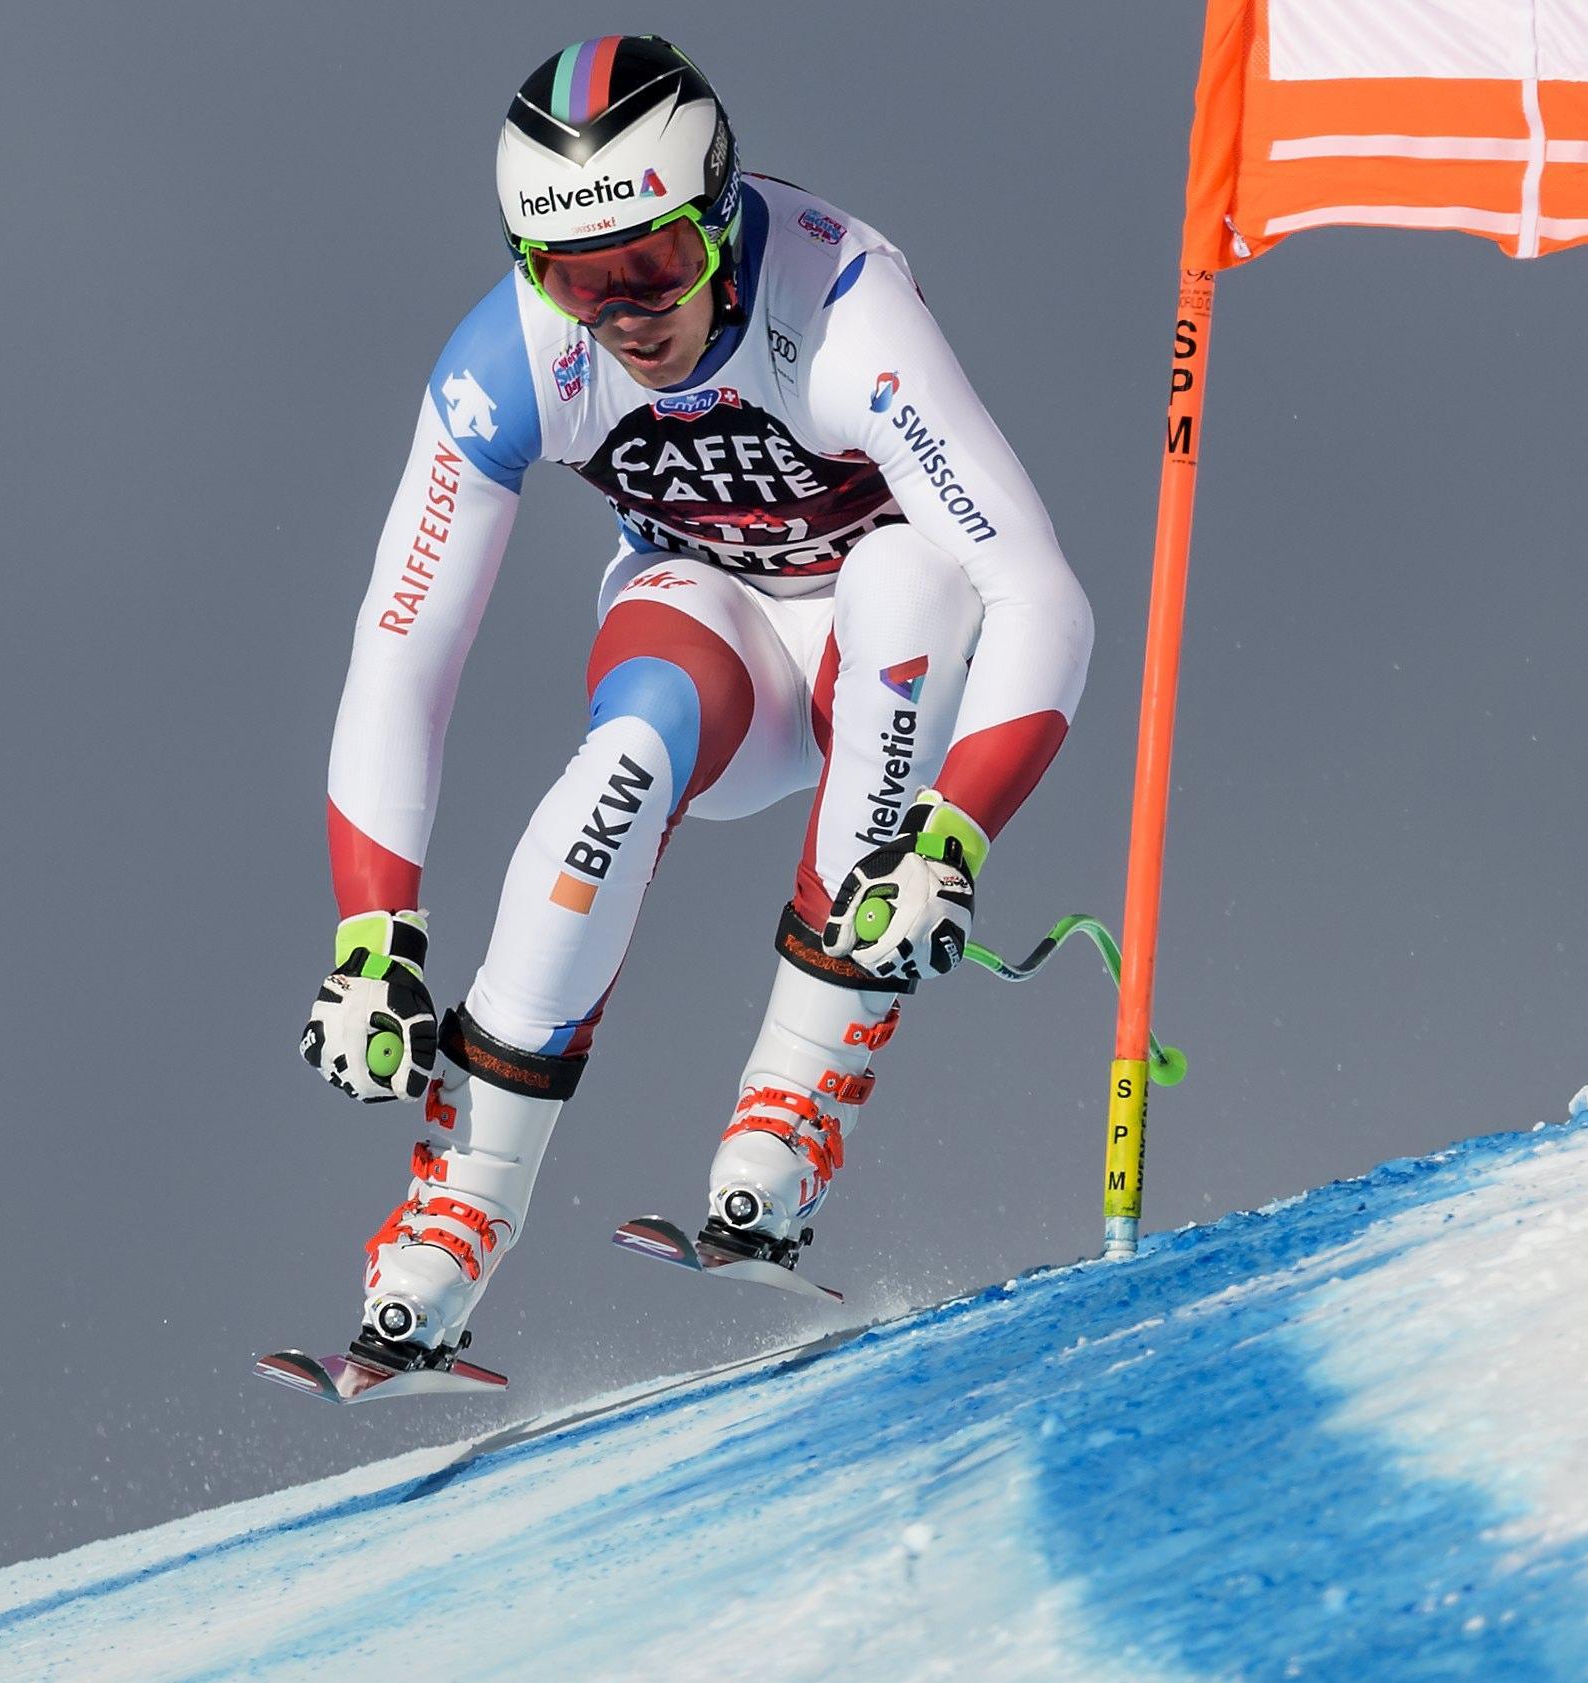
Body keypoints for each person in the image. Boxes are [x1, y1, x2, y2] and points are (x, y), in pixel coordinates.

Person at [301, 35, 1093, 1370]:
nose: (624, 316)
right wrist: (374, 934)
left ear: (719, 216)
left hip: (881, 662)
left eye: (655, 265)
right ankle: (458, 1203)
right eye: (576, 280)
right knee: (624, 753)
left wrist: (955, 834)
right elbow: (402, 644)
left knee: (909, 574)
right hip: (718, 641)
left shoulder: (841, 310)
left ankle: (793, 1111)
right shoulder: (512, 360)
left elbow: (1040, 594)